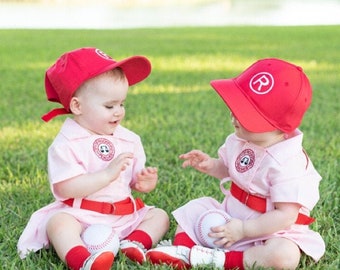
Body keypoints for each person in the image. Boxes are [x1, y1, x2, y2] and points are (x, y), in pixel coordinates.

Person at [146, 58, 325, 269]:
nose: (234, 116)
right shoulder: (240, 140)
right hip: (229, 215)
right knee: (194, 209)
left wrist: (244, 230)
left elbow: (285, 216)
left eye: (245, 114)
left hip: (267, 230)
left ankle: (219, 260)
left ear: (276, 125)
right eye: (236, 107)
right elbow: (231, 171)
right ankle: (183, 251)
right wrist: (211, 165)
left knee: (284, 255)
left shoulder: (288, 162)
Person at [17, 47, 169, 270]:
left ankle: (134, 243)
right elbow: (66, 188)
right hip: (81, 216)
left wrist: (143, 182)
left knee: (159, 216)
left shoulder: (129, 140)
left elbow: (132, 180)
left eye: (122, 104)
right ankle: (81, 260)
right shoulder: (68, 143)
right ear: (77, 106)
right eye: (109, 106)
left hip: (123, 214)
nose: (119, 112)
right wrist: (106, 175)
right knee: (58, 223)